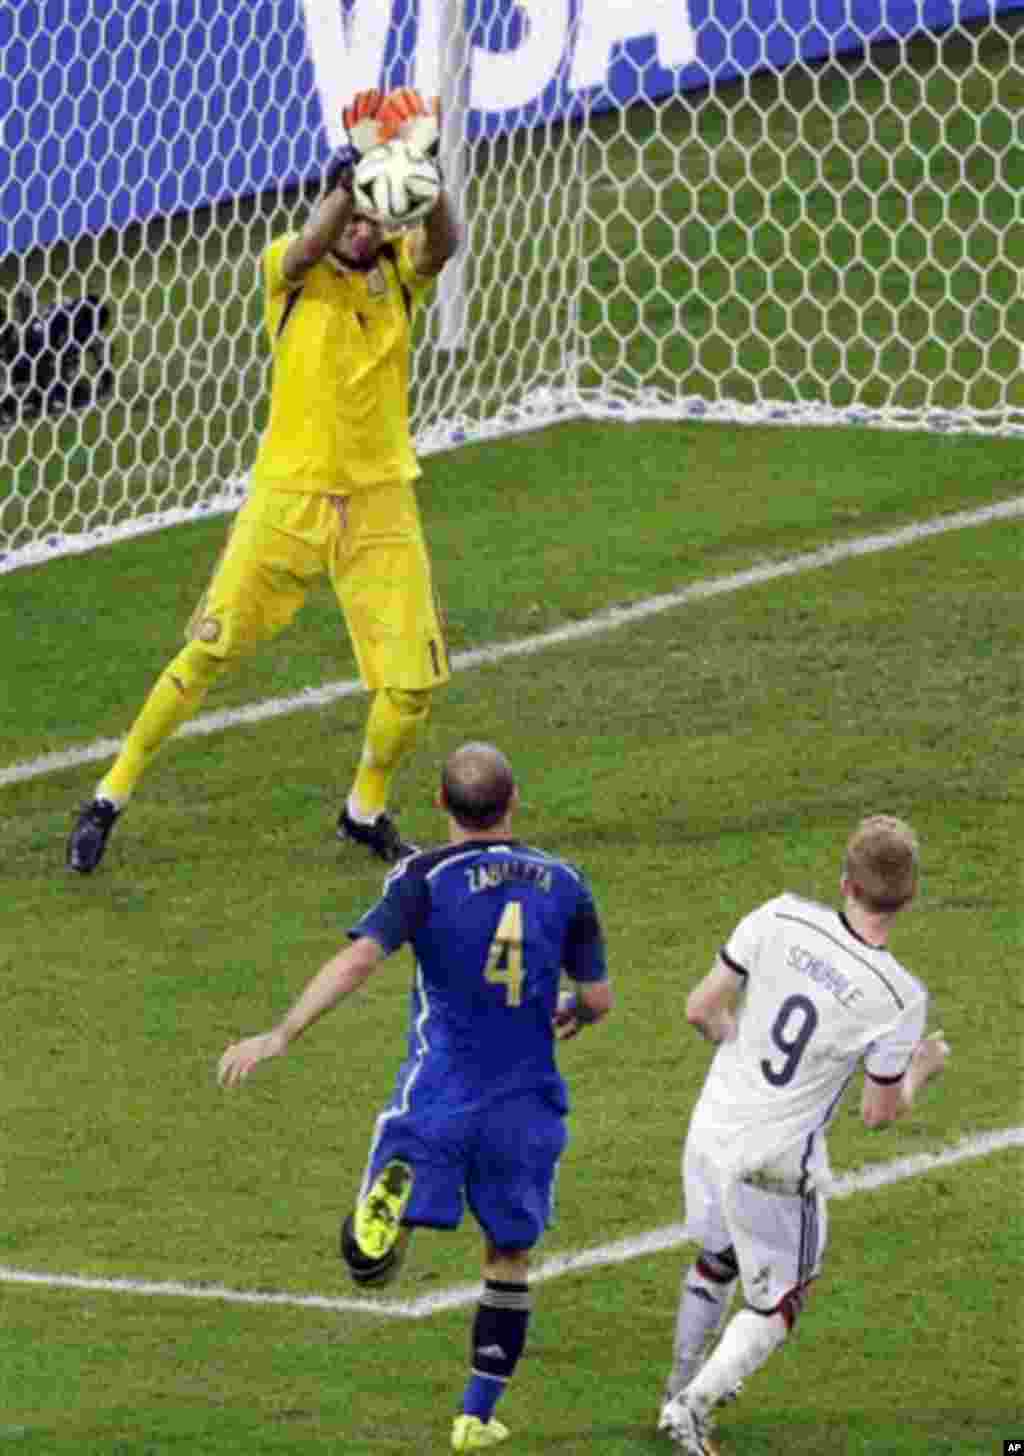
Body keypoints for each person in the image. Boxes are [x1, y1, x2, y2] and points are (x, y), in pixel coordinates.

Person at [67, 87, 459, 874]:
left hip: (381, 500)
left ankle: (365, 809)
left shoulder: (399, 278)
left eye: (373, 218)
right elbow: (313, 242)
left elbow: (441, 244)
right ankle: (109, 795)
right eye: (353, 215)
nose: (361, 229)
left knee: (412, 688)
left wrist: (421, 173)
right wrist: (350, 182)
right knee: (207, 654)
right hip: (288, 498)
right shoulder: (291, 273)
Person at [217, 741, 613, 1452]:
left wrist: (282, 1034)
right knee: (508, 1256)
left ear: (441, 804)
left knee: (368, 1263)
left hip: (442, 1092)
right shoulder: (566, 882)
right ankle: (475, 1414)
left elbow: (359, 959)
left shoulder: (423, 877)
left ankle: (393, 1187)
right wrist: (574, 1014)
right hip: (526, 1103)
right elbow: (598, 998)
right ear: (513, 801)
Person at [658, 814, 950, 1455]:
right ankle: (692, 1408)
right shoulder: (899, 996)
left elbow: (701, 1009)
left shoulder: (777, 916)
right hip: (777, 1163)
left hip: (711, 1129)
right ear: (909, 897)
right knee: (783, 1299)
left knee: (717, 1259)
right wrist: (922, 1068)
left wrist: (742, 1056)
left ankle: (678, 1388)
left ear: (845, 881)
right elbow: (877, 1113)